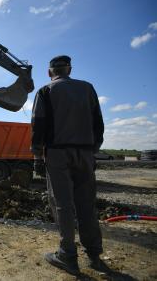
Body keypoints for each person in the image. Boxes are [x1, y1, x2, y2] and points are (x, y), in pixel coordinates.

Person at [31, 55, 106, 275]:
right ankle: (94, 253)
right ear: (69, 69)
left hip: (58, 154)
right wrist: (92, 151)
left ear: (49, 72)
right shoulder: (87, 89)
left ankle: (67, 255)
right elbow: (98, 123)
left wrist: (37, 156)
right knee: (86, 203)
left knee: (62, 204)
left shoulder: (45, 91)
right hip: (85, 153)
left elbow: (38, 124)